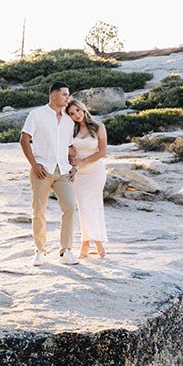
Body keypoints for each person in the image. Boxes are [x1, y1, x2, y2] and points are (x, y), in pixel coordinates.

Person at [20, 80, 80, 265]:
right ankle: (40, 250)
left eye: (68, 94)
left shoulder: (69, 120)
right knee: (39, 210)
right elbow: (24, 139)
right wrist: (34, 164)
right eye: (64, 94)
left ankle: (66, 251)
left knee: (70, 207)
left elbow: (69, 146)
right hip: (42, 169)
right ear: (54, 95)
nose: (67, 98)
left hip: (63, 170)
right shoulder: (36, 115)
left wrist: (73, 164)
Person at [66, 99, 108, 257]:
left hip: (95, 172)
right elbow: (67, 151)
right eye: (71, 113)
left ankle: (94, 242)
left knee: (94, 205)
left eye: (77, 110)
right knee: (83, 207)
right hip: (78, 174)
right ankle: (87, 242)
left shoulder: (98, 127)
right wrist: (72, 161)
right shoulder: (70, 130)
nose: (76, 115)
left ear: (83, 109)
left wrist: (84, 162)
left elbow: (102, 151)